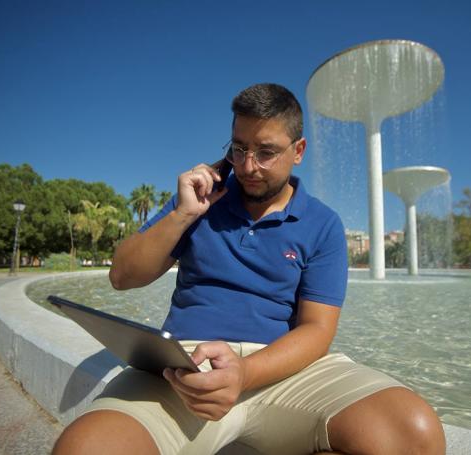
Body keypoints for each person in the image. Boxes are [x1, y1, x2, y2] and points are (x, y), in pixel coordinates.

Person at [53, 83, 446, 455]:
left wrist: (243, 372)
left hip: (283, 373)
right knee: (85, 448)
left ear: (299, 150)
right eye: (238, 149)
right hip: (187, 368)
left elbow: (317, 330)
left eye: (266, 152)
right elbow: (122, 277)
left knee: (414, 433)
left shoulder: (323, 223)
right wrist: (183, 214)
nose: (248, 166)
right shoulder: (197, 201)